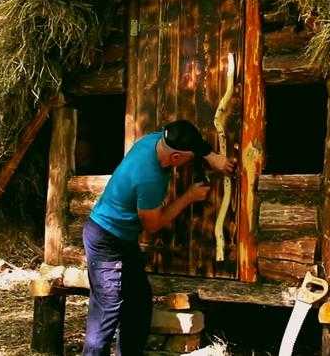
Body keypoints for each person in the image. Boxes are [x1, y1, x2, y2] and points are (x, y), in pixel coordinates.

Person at [82, 119, 235, 355]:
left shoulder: (155, 139)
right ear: (176, 158)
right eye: (189, 157)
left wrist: (211, 155)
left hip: (122, 239)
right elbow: (153, 225)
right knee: (108, 308)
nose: (191, 161)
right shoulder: (149, 178)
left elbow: (185, 134)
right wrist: (189, 197)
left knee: (139, 303)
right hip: (105, 239)